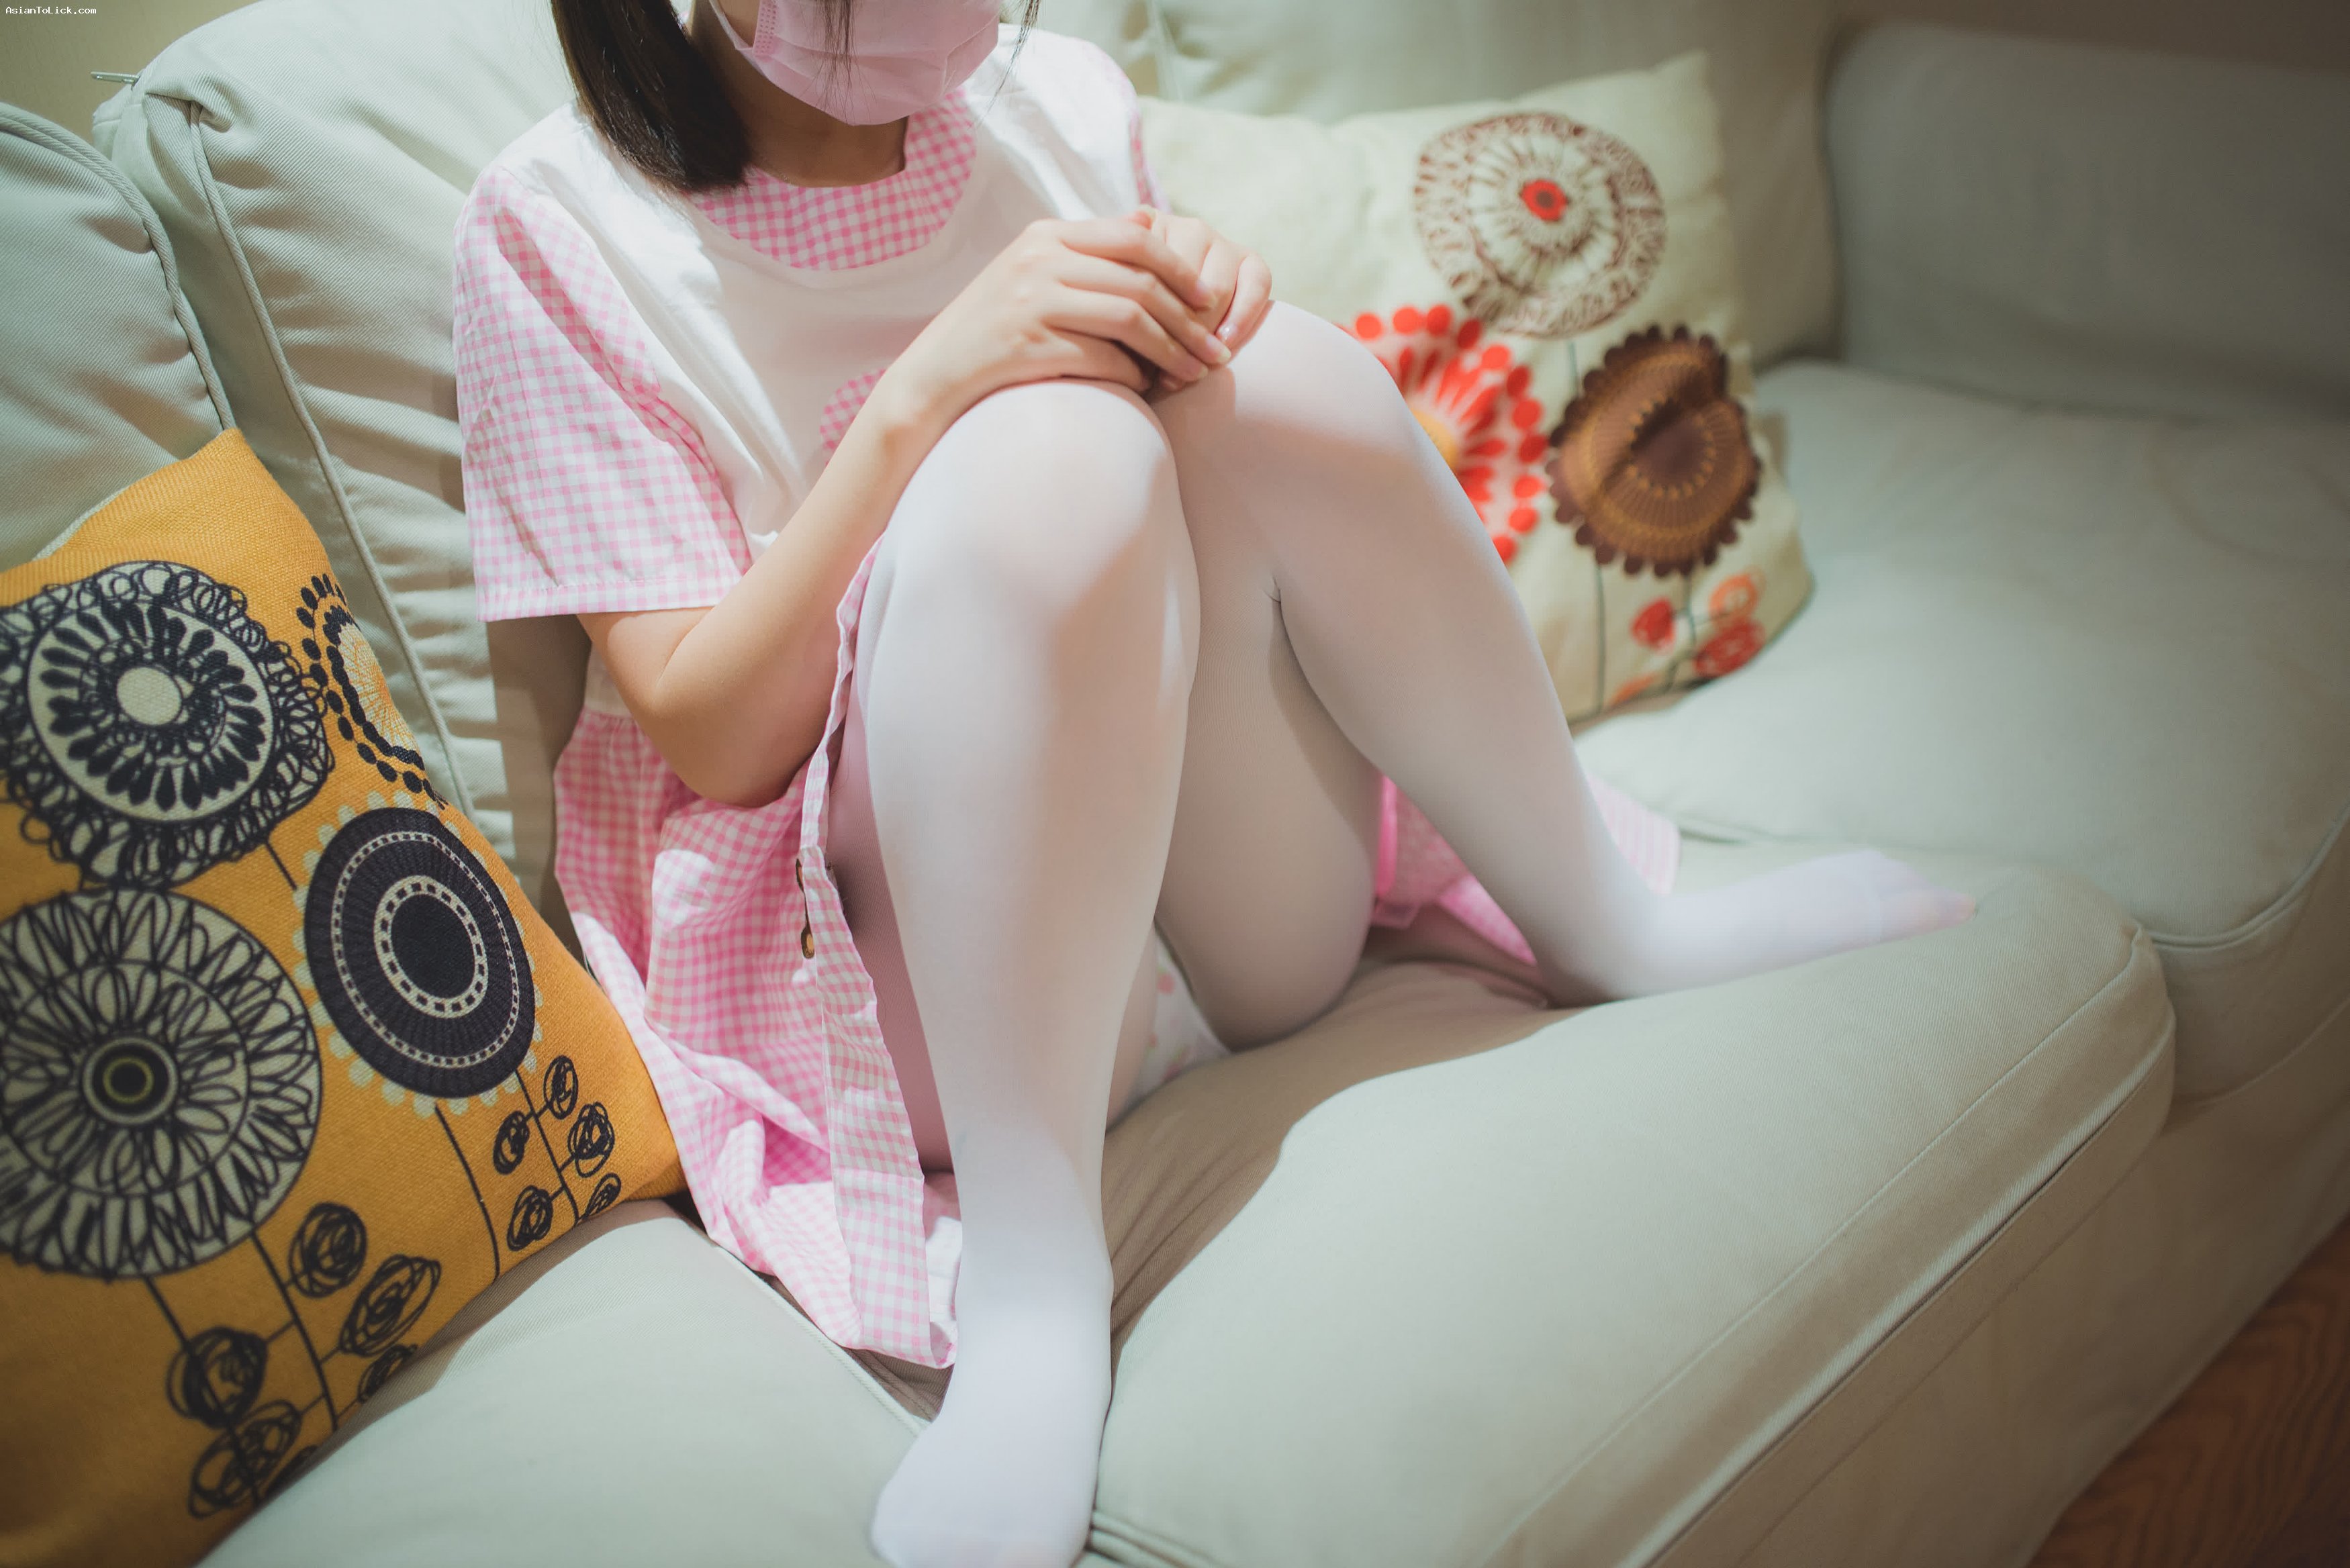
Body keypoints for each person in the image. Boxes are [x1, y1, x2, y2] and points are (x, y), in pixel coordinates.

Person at [453, 1, 1975, 1561]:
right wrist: (928, 396)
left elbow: (1213, 486)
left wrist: (1200, 320)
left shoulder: (1056, 104)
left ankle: (1604, 922)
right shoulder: (562, 227)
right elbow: (712, 734)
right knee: (1046, 457)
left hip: (1223, 916)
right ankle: (1039, 1286)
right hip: (906, 986)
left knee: (1275, 373)